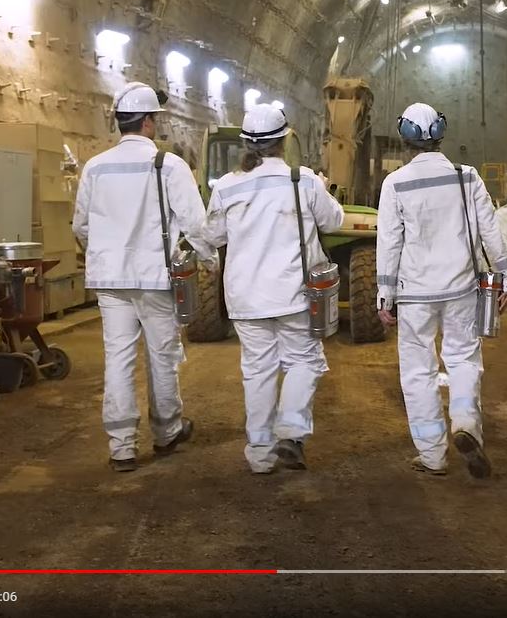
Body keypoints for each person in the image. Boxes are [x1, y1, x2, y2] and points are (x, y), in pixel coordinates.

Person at [73, 82, 215, 472]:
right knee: (162, 355)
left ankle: (121, 446)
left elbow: (81, 225)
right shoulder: (167, 166)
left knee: (117, 358)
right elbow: (194, 222)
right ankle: (167, 432)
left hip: (110, 281)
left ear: (120, 123)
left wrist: (104, 255)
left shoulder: (95, 167)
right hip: (155, 277)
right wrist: (210, 259)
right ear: (150, 122)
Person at [376, 102, 507, 479]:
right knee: (463, 361)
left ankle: (433, 455)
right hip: (461, 289)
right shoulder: (466, 177)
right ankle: (466, 423)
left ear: (404, 137)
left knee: (418, 373)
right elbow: (490, 229)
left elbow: (389, 241)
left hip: (414, 294)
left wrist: (384, 293)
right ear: (441, 132)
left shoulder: (395, 183)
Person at [203, 104, 344, 474]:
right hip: (293, 293)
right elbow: (334, 220)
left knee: (258, 369)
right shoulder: (304, 180)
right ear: (285, 140)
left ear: (246, 144)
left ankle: (261, 456)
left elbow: (213, 235)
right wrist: (325, 189)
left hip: (246, 297)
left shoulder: (227, 186)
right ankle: (292, 432)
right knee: (304, 361)